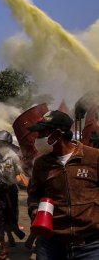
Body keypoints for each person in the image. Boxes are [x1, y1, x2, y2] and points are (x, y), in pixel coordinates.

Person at [27, 110, 99, 259]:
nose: (37, 138)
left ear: (57, 134)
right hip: (52, 244)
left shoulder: (93, 158)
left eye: (42, 133)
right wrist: (34, 209)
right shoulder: (41, 163)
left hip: (90, 246)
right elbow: (34, 194)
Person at [0, 130, 26, 260]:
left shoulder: (14, 157)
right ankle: (3, 246)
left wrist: (21, 180)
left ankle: (12, 233)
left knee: (11, 215)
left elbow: (19, 173)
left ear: (8, 144)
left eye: (2, 144)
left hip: (10, 191)